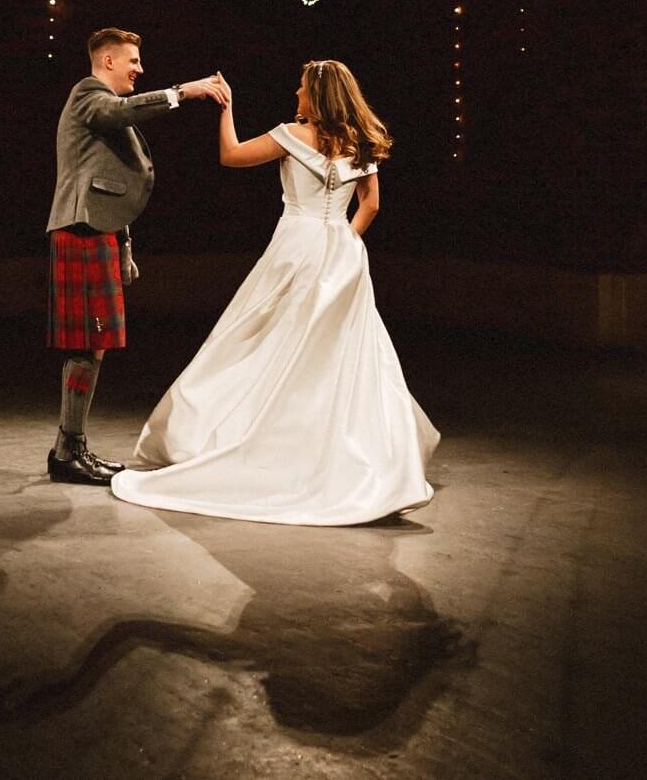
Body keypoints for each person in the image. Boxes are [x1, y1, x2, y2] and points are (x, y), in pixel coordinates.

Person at [110, 59, 438, 525]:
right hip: (341, 252)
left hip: (296, 246)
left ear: (318, 96)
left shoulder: (291, 134)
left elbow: (231, 155)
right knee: (337, 352)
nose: (296, 94)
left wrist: (226, 110)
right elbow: (372, 203)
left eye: (302, 88)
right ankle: (338, 446)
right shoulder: (359, 142)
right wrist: (346, 238)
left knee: (256, 337)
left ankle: (247, 439)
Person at [43, 27, 224, 485]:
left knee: (95, 345)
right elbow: (118, 113)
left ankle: (70, 447)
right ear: (107, 62)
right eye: (133, 62)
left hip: (96, 231)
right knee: (87, 345)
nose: (139, 70)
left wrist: (124, 246)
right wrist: (183, 92)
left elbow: (110, 180)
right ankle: (68, 451)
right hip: (80, 231)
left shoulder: (103, 106)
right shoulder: (89, 94)